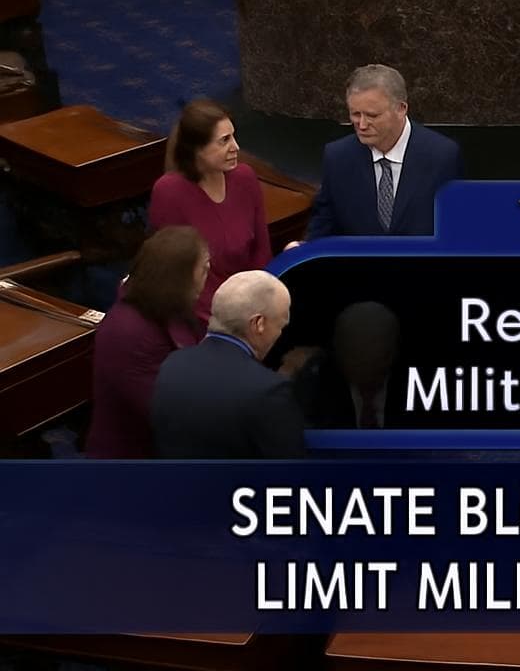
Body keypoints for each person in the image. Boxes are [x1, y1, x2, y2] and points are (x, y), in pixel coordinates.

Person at [150, 270, 306, 459]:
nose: (280, 335)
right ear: (259, 324)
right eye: (280, 326)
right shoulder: (270, 391)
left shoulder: (171, 366)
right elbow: (287, 475)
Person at [85, 227, 208, 459]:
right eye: (203, 268)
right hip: (130, 465)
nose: (207, 274)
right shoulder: (130, 333)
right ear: (179, 277)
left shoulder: (166, 306)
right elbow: (169, 412)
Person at [148, 99, 270, 326]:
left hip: (250, 307)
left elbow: (261, 251)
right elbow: (176, 274)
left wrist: (259, 305)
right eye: (224, 141)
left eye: (233, 136)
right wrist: (228, 322)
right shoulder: (169, 192)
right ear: (197, 150)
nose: (236, 147)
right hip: (199, 317)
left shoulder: (245, 178)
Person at [307, 65, 462, 238]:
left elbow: (454, 227)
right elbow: (324, 222)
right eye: (355, 114)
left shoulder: (441, 155)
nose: (362, 125)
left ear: (401, 109)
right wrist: (303, 249)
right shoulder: (338, 156)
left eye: (372, 116)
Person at [292, 302, 403, 430]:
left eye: (376, 348)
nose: (367, 363)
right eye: (356, 353)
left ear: (393, 351)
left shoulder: (417, 387)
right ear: (338, 351)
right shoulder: (314, 386)